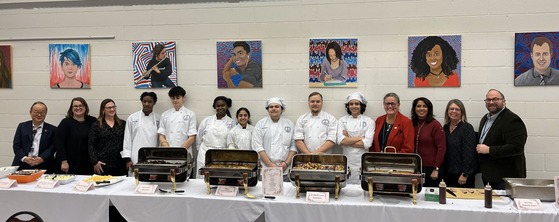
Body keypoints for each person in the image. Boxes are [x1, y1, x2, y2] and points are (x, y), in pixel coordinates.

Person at [477, 89, 527, 190]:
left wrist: (489, 150)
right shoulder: (485, 119)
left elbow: (517, 147)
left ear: (504, 101)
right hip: (489, 175)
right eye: (488, 100)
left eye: (495, 99)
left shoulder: (512, 120)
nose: (491, 102)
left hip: (504, 178)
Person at [252, 97, 297, 178]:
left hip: (285, 170)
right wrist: (271, 165)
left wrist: (286, 163)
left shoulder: (289, 124)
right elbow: (258, 147)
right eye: (271, 107)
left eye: (277, 106)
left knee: (286, 190)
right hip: (266, 169)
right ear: (268, 109)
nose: (273, 109)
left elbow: (294, 146)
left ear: (282, 109)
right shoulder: (260, 124)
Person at [337, 92, 374, 184]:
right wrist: (361, 138)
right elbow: (340, 141)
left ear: (361, 106)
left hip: (361, 161)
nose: (354, 106)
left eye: (357, 104)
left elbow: (367, 144)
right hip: (347, 160)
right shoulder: (342, 120)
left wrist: (348, 138)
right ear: (348, 106)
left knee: (361, 186)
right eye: (351, 104)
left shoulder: (369, 121)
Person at [55, 97, 97, 175]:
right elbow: (59, 143)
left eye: (81, 105)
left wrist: (96, 161)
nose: (78, 108)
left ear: (85, 107)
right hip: (69, 164)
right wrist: (64, 161)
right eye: (75, 106)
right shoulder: (65, 123)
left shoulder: (93, 121)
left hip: (88, 163)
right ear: (71, 109)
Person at [196, 96, 235, 177]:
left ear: (227, 106)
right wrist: (201, 150)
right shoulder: (207, 120)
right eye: (218, 106)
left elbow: (232, 141)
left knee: (219, 179)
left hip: (222, 155)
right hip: (205, 154)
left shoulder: (232, 122)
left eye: (223, 105)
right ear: (215, 107)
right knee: (202, 180)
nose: (220, 108)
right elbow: (199, 138)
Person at [411, 97, 446, 187]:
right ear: (414, 109)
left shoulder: (435, 125)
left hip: (431, 169)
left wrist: (436, 168)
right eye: (418, 106)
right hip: (415, 168)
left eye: (424, 106)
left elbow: (441, 148)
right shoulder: (411, 124)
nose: (421, 109)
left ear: (429, 109)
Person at [442, 99, 477, 188]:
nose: (454, 111)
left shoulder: (467, 128)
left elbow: (469, 153)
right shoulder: (445, 128)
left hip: (462, 175)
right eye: (451, 109)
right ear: (447, 111)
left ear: (462, 112)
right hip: (447, 173)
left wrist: (465, 174)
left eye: (457, 109)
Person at [12, 102, 56, 171]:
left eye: (42, 112)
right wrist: (25, 158)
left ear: (46, 114)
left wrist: (42, 158)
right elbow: (16, 145)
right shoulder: (22, 126)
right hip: (23, 164)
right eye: (36, 112)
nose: (39, 115)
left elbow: (53, 147)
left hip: (44, 164)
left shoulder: (52, 129)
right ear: (30, 112)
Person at [121, 92, 161, 168]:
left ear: (154, 103)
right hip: (135, 157)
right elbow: (127, 139)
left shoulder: (159, 119)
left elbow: (161, 141)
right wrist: (127, 159)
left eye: (150, 102)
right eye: (144, 101)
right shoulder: (132, 118)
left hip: (153, 157)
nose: (146, 104)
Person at [88, 99, 127, 176]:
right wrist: (95, 162)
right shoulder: (96, 125)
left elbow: (127, 142)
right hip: (103, 164)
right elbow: (91, 145)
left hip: (120, 164)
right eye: (109, 108)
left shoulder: (122, 124)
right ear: (103, 110)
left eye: (113, 107)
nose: (112, 109)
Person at [158, 86, 197, 157]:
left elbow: (192, 137)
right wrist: (167, 148)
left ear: (183, 98)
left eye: (178, 98)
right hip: (168, 153)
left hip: (184, 152)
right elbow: (161, 135)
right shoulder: (165, 114)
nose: (175, 100)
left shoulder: (190, 114)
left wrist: (179, 152)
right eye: (173, 98)